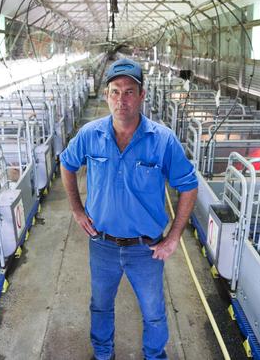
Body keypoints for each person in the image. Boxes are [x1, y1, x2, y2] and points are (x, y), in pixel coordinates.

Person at [59, 58, 198, 360]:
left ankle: (154, 356)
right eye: (115, 91)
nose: (122, 100)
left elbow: (188, 185)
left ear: (142, 95)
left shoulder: (162, 140)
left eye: (129, 91)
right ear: (106, 94)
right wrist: (77, 210)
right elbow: (66, 164)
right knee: (100, 306)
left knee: (154, 312)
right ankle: (103, 354)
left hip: (146, 248)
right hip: (102, 243)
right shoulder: (90, 134)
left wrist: (174, 237)